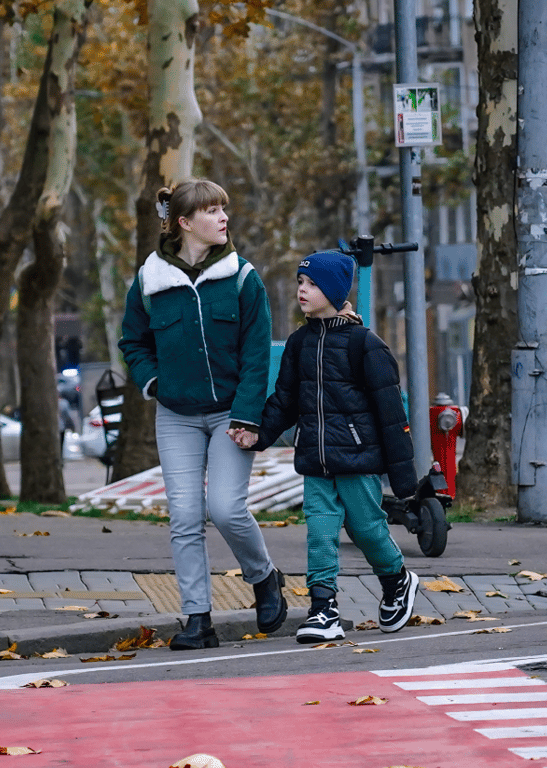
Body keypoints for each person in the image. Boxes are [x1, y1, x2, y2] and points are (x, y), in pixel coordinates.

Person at [118, 179, 286, 650]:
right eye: (211, 211)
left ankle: (264, 576)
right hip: (176, 415)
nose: (223, 218)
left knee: (227, 509)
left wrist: (248, 416)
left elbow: (257, 355)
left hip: (232, 412)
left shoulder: (241, 277)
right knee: (185, 517)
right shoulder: (151, 280)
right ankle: (197, 619)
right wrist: (154, 383)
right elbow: (132, 341)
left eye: (223, 209)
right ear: (185, 223)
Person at [232, 250, 419, 644]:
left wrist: (404, 477)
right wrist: (258, 434)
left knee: (368, 531)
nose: (302, 290)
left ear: (333, 290)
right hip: (316, 462)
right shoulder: (299, 344)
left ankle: (397, 579)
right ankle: (323, 609)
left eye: (312, 284)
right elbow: (284, 401)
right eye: (300, 282)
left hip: (356, 461)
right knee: (319, 534)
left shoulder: (364, 345)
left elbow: (390, 413)